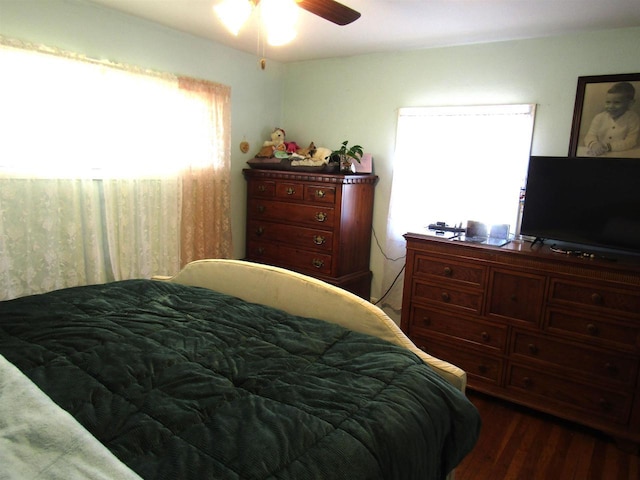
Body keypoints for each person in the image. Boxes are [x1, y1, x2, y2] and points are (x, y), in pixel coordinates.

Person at [584, 82, 639, 156]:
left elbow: (631, 141)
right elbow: (590, 135)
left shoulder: (633, 118)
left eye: (617, 103)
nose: (610, 106)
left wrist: (609, 146)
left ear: (630, 103)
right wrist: (594, 144)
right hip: (600, 153)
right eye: (608, 102)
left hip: (622, 154)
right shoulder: (599, 117)